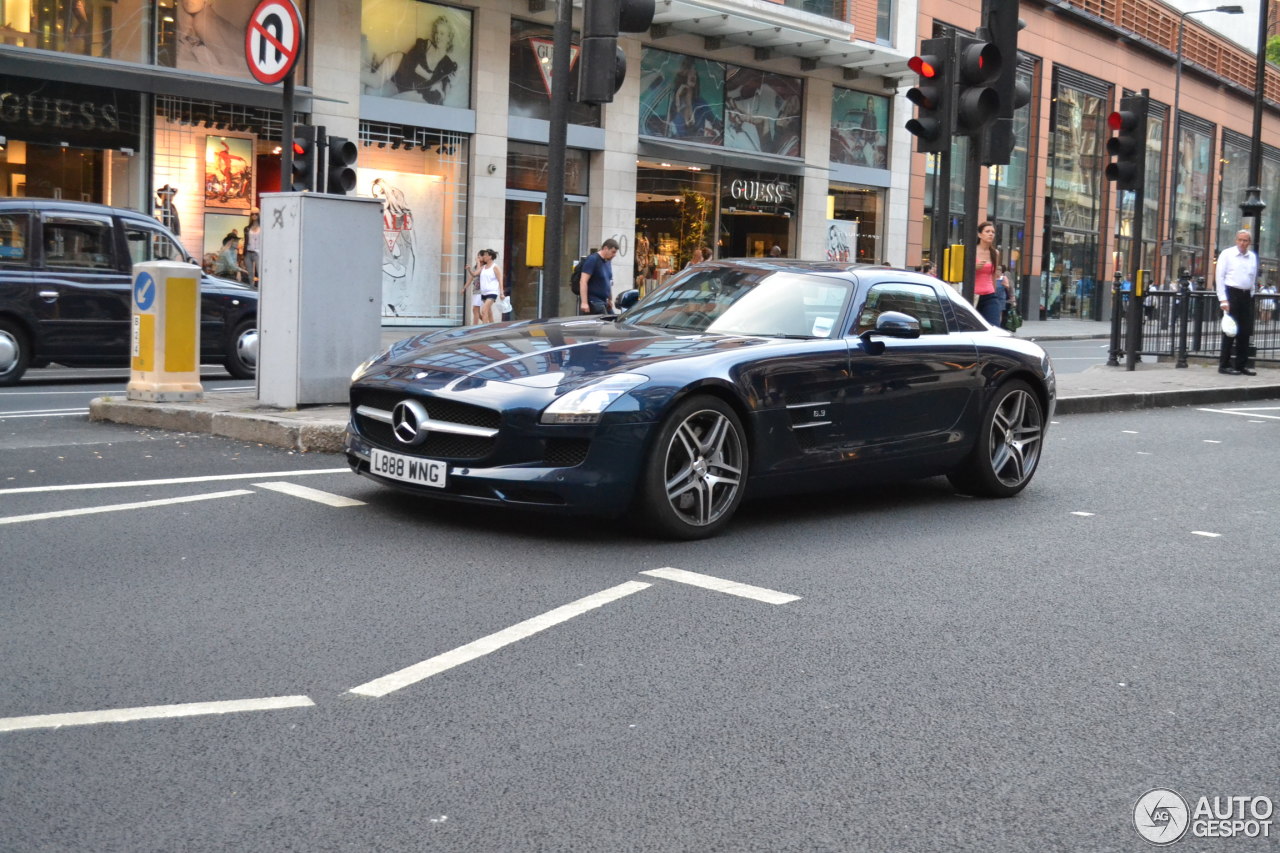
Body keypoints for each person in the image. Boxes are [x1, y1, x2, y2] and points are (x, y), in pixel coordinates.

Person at [1216, 229, 1258, 376]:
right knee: (1229, 331)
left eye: (1245, 240)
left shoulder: (1252, 257)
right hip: (1231, 294)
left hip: (1246, 296)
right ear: (1236, 240)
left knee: (1245, 332)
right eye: (1240, 240)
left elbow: (1252, 277)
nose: (1242, 243)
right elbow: (1219, 277)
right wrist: (1223, 299)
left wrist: (1251, 293)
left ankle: (1241, 365)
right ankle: (1224, 365)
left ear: (1249, 242)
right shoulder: (1227, 254)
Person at [578, 238, 619, 315]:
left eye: (615, 253)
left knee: (614, 321)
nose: (614, 255)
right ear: (606, 248)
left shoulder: (607, 262)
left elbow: (608, 281)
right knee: (607, 324)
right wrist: (584, 302)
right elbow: (583, 281)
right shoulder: (593, 259)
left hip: (604, 301)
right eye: (613, 252)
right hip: (594, 301)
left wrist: (609, 299)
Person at [973, 221, 1003, 326]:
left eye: (993, 232)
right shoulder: (971, 251)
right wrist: (973, 268)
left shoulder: (995, 253)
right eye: (987, 231)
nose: (991, 234)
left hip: (989, 296)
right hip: (973, 296)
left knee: (995, 327)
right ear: (979, 234)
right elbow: (961, 272)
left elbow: (993, 275)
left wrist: (994, 293)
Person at [474, 248, 504, 324]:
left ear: (490, 257)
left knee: (484, 311)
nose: (484, 256)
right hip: (484, 293)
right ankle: (493, 326)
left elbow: (500, 280)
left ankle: (484, 330)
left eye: (485, 255)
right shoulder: (483, 267)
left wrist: (501, 293)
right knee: (489, 312)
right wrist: (468, 269)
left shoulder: (495, 267)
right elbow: (474, 274)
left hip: (492, 292)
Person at [462, 250, 485, 325]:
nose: (478, 257)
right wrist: (464, 288)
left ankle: (474, 327)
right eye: (478, 255)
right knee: (477, 311)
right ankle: (487, 323)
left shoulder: (484, 267)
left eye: (480, 256)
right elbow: (471, 278)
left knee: (475, 310)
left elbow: (477, 273)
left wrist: (478, 262)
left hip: (481, 291)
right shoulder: (476, 267)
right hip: (476, 291)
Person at [243, 210, 261, 287]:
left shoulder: (262, 227)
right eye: (252, 214)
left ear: (259, 215)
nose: (254, 215)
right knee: (250, 273)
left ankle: (260, 287)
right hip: (248, 251)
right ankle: (251, 287)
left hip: (258, 252)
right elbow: (245, 241)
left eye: (256, 214)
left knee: (260, 271)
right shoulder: (247, 228)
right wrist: (243, 253)